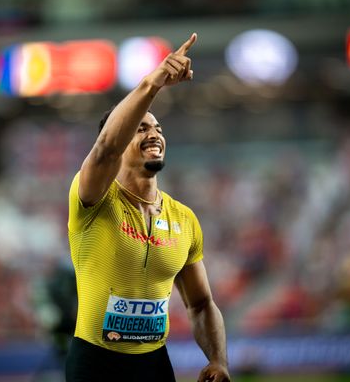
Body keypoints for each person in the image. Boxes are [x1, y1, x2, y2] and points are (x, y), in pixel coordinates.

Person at [66, 33, 230, 382]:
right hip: (95, 364)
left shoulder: (184, 219)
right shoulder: (94, 198)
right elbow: (106, 148)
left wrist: (218, 360)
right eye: (140, 129)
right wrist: (154, 83)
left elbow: (200, 305)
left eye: (157, 128)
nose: (154, 134)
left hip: (154, 365)